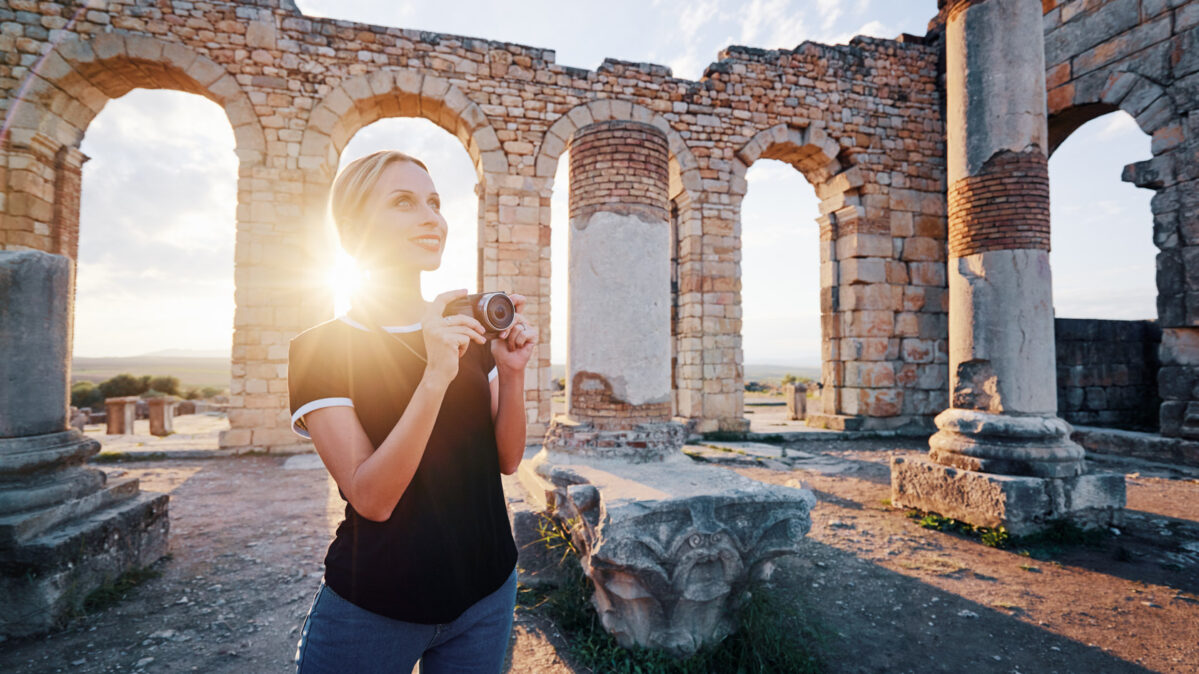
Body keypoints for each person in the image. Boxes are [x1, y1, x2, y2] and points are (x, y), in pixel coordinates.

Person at [287, 149, 538, 673]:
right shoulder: (320, 348)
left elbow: (508, 459)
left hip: (488, 593)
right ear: (354, 228)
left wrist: (512, 373)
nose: (431, 218)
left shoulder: (465, 328)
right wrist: (435, 375)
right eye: (403, 202)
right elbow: (373, 499)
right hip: (375, 607)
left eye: (434, 202)